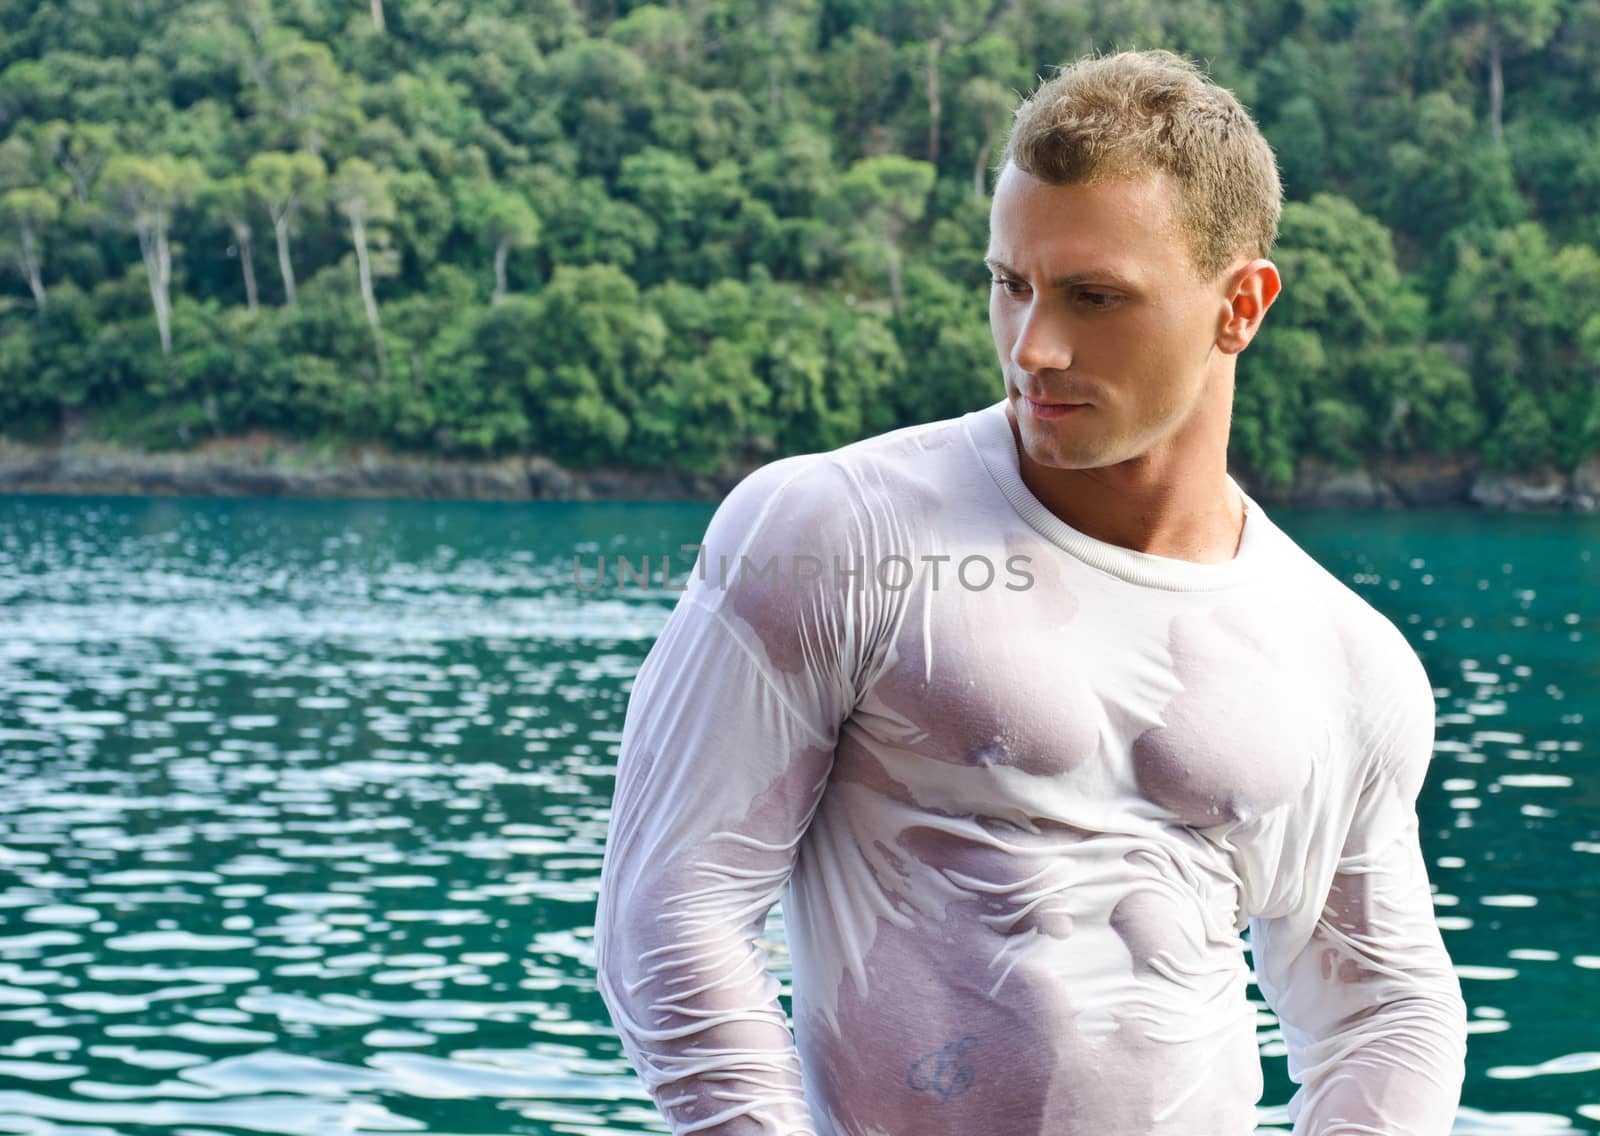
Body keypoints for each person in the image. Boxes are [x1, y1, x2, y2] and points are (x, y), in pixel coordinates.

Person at [594, 48, 1467, 1135]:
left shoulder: (1349, 657)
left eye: (1093, 296)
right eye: (1011, 284)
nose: (1032, 347)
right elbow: (671, 908)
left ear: (1239, 305)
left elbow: (1381, 1005)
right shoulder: (835, 531)